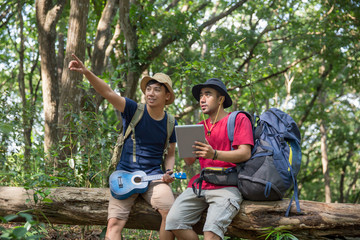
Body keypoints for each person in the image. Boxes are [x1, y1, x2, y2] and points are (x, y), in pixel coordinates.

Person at [68, 54, 177, 240]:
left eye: (157, 90)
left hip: (154, 177)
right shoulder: (133, 109)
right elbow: (108, 92)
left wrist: (169, 171)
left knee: (171, 215)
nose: (150, 93)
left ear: (167, 96)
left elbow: (171, 153)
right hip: (125, 177)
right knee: (114, 225)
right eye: (148, 89)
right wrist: (86, 72)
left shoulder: (170, 122)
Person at [165, 78, 254, 240]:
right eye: (200, 95)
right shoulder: (199, 126)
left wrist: (214, 154)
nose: (202, 99)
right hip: (200, 185)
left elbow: (245, 153)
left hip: (228, 186)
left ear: (221, 99)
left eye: (208, 94)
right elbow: (190, 161)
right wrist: (185, 144)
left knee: (211, 233)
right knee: (173, 222)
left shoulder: (238, 119)